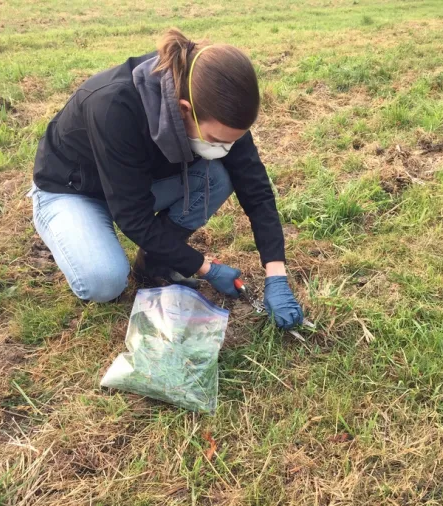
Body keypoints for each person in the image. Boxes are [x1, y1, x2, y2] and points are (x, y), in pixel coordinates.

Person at [30, 28, 304, 329]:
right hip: (74, 191)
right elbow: (133, 215)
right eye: (216, 140)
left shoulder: (219, 108)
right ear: (184, 110)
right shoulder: (114, 106)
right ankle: (74, 228)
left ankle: (154, 259)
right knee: (104, 281)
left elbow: (256, 189)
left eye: (231, 142)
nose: (225, 148)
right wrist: (206, 268)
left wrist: (276, 274)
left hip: (135, 185)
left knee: (218, 177)